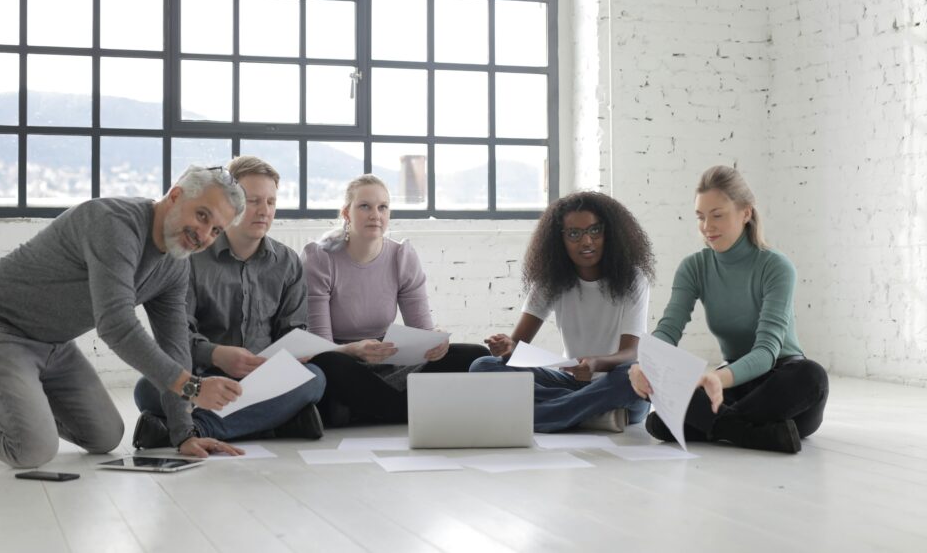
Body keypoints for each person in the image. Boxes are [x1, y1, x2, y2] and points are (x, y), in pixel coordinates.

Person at [0, 166, 248, 466]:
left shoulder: (175, 266)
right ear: (175, 196)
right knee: (31, 450)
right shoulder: (115, 224)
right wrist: (191, 386)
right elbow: (116, 325)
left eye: (216, 230)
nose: (204, 235)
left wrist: (184, 433)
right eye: (202, 215)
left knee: (105, 436)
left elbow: (175, 347)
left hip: (50, 344)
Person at [629, 165, 829, 453]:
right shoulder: (694, 267)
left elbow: (766, 352)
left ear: (745, 213)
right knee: (657, 422)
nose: (707, 226)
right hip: (734, 385)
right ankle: (756, 435)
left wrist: (717, 378)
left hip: (783, 383)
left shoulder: (775, 267)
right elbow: (668, 329)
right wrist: (643, 364)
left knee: (812, 376)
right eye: (700, 217)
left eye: (718, 215)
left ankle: (720, 426)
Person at [131, 156, 326, 448]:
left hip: (263, 379)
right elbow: (175, 333)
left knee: (314, 379)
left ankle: (198, 428)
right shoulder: (191, 257)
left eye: (271, 202)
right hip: (203, 374)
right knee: (147, 389)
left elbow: (293, 332)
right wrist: (216, 354)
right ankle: (274, 423)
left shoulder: (288, 263)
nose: (265, 211)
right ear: (231, 204)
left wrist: (287, 356)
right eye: (254, 201)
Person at [302, 174, 489, 426]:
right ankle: (414, 410)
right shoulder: (320, 258)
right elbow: (320, 345)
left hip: (389, 361)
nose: (375, 215)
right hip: (344, 359)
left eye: (383, 207)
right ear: (346, 213)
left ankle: (364, 411)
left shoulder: (401, 256)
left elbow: (422, 333)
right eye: (364, 206)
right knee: (326, 363)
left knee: (476, 355)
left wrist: (436, 339)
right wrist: (354, 350)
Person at [470, 191, 654, 433]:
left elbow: (631, 353)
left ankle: (538, 417)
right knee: (483, 366)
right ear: (560, 240)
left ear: (609, 233)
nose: (587, 241)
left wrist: (596, 363)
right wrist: (506, 347)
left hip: (613, 382)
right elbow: (516, 347)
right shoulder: (550, 280)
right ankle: (591, 414)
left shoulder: (633, 279)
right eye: (574, 234)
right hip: (571, 383)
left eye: (595, 230)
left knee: (629, 380)